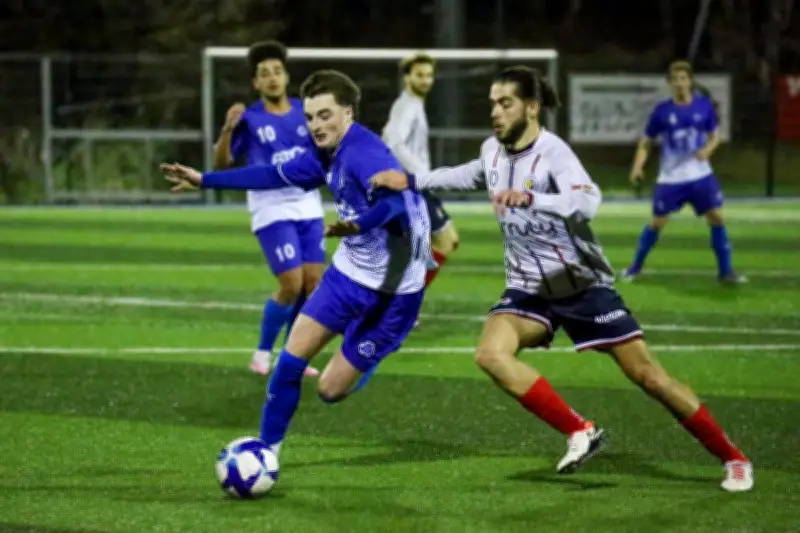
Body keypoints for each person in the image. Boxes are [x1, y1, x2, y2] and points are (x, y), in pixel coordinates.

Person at [370, 65, 754, 492]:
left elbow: (588, 200)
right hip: (528, 288)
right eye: (492, 103)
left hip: (579, 284)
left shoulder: (554, 152)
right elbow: (462, 175)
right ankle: (580, 430)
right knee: (491, 354)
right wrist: (407, 179)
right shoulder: (492, 150)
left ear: (532, 108)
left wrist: (534, 197)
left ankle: (734, 458)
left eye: (506, 103)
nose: (495, 112)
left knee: (650, 378)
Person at [162, 69, 432, 459]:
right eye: (309, 117)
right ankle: (266, 452)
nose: (316, 125)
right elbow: (271, 174)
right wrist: (205, 179)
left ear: (348, 114)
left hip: (395, 291)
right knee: (288, 362)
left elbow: (394, 203)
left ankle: (377, 344)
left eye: (325, 115)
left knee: (330, 390)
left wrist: (360, 223)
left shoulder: (365, 154)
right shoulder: (324, 154)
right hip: (350, 274)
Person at [213, 40, 324, 377]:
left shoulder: (304, 111)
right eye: (265, 74)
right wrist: (228, 129)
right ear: (255, 83)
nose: (272, 78)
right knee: (291, 283)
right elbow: (222, 165)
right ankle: (262, 353)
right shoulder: (249, 118)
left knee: (313, 284)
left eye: (277, 71)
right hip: (271, 206)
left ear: (286, 76)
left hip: (307, 205)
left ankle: (292, 355)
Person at [623, 60, 746, 284]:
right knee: (657, 222)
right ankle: (635, 267)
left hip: (700, 176)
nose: (680, 83)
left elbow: (715, 135)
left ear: (690, 81)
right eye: (675, 79)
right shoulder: (662, 111)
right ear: (670, 83)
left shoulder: (704, 106)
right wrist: (637, 167)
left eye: (683, 79)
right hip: (671, 178)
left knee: (717, 217)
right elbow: (646, 141)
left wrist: (707, 150)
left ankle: (726, 272)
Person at [382, 53, 459, 306]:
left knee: (438, 244)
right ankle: (400, 303)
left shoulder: (413, 105)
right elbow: (394, 143)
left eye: (429, 75)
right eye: (419, 75)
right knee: (443, 242)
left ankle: (397, 300)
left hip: (416, 186)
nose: (426, 81)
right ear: (407, 78)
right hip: (414, 186)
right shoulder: (406, 106)